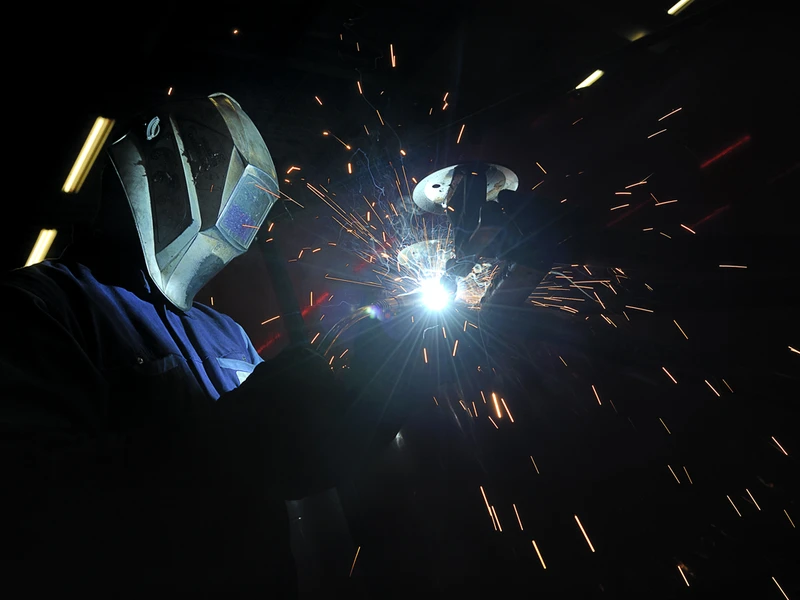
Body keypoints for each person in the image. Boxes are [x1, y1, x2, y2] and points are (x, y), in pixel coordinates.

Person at [0, 93, 417, 597]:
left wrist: (366, 398)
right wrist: (233, 441)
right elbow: (37, 510)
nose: (237, 218)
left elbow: (293, 465)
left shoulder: (228, 333)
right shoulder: (41, 307)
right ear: (164, 170)